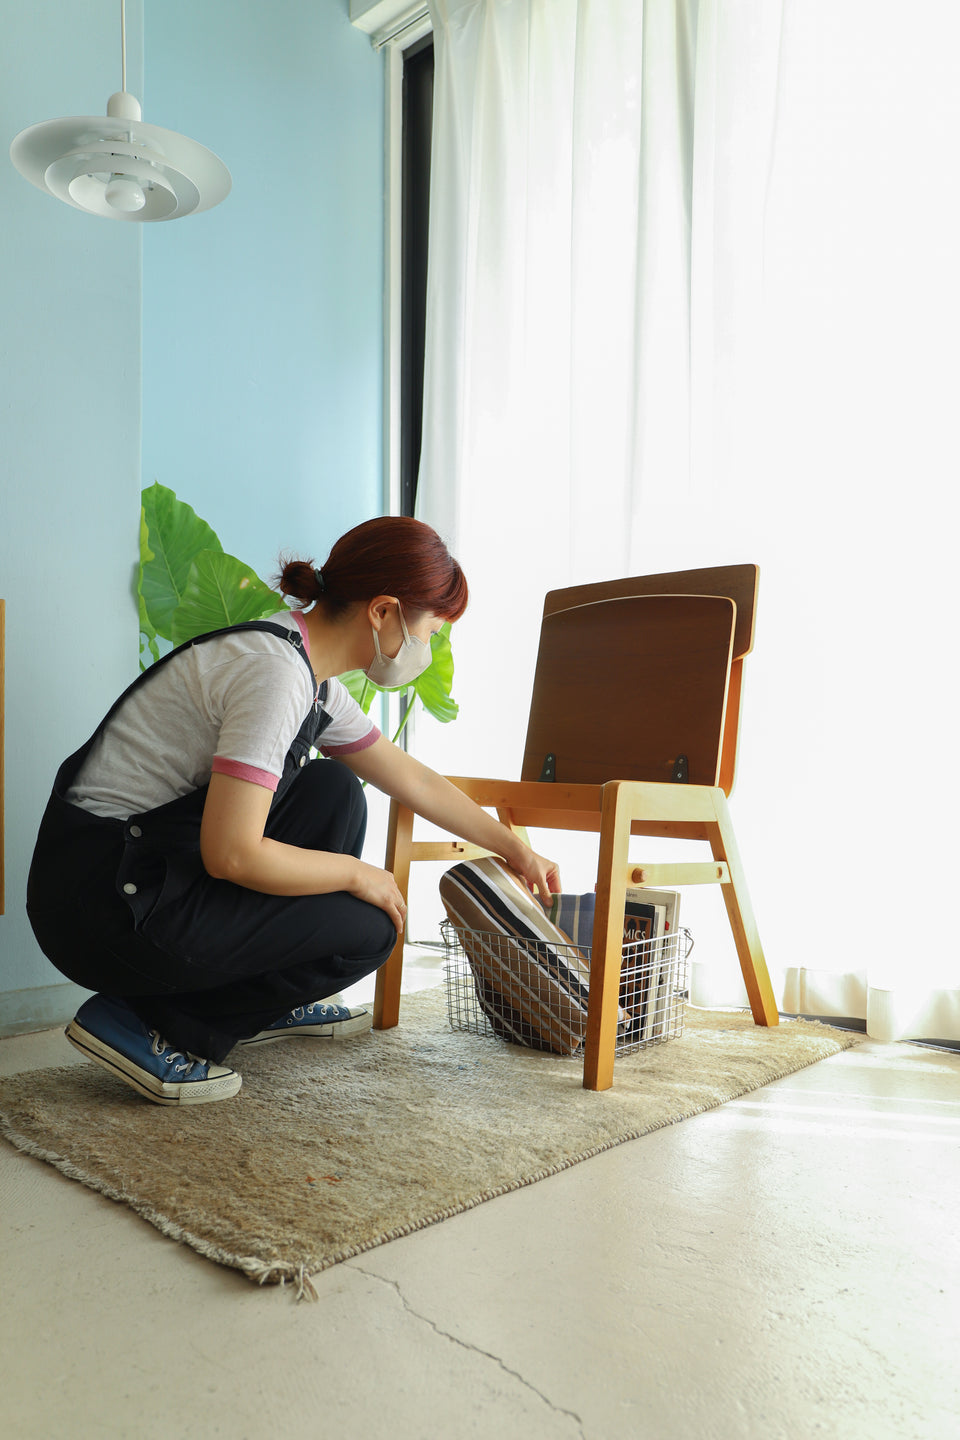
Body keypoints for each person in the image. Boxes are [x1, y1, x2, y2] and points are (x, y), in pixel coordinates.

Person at [27, 516, 560, 1107]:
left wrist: (514, 848)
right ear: (383, 613)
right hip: (101, 906)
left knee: (333, 788)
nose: (426, 651)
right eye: (429, 631)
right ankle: (147, 1024)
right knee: (368, 930)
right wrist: (360, 875)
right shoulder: (274, 675)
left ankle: (262, 997)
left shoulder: (308, 675)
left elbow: (411, 778)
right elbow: (231, 853)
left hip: (137, 871)